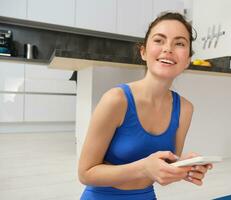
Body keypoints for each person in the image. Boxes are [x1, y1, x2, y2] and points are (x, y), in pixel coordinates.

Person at [78, 12, 212, 200]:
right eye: (159, 40)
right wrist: (143, 168)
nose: (168, 49)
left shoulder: (185, 109)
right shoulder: (116, 100)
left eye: (180, 43)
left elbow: (163, 169)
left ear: (187, 60)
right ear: (143, 52)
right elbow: (85, 173)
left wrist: (184, 168)